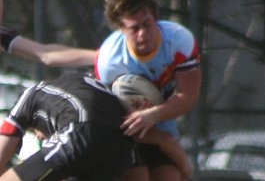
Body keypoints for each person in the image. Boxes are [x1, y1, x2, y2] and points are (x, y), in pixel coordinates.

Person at [0, 0, 202, 180]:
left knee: (169, 175)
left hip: (157, 116)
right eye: (134, 28)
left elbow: (187, 96)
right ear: (120, 29)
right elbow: (114, 118)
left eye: (147, 24)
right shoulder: (109, 61)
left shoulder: (178, 40)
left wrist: (153, 114)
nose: (143, 34)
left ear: (156, 18)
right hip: (124, 128)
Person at [0, 72, 193, 181]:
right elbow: (163, 140)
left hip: (80, 131)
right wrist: (186, 172)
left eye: (35, 131)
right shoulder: (116, 116)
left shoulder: (32, 94)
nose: (40, 137)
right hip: (118, 153)